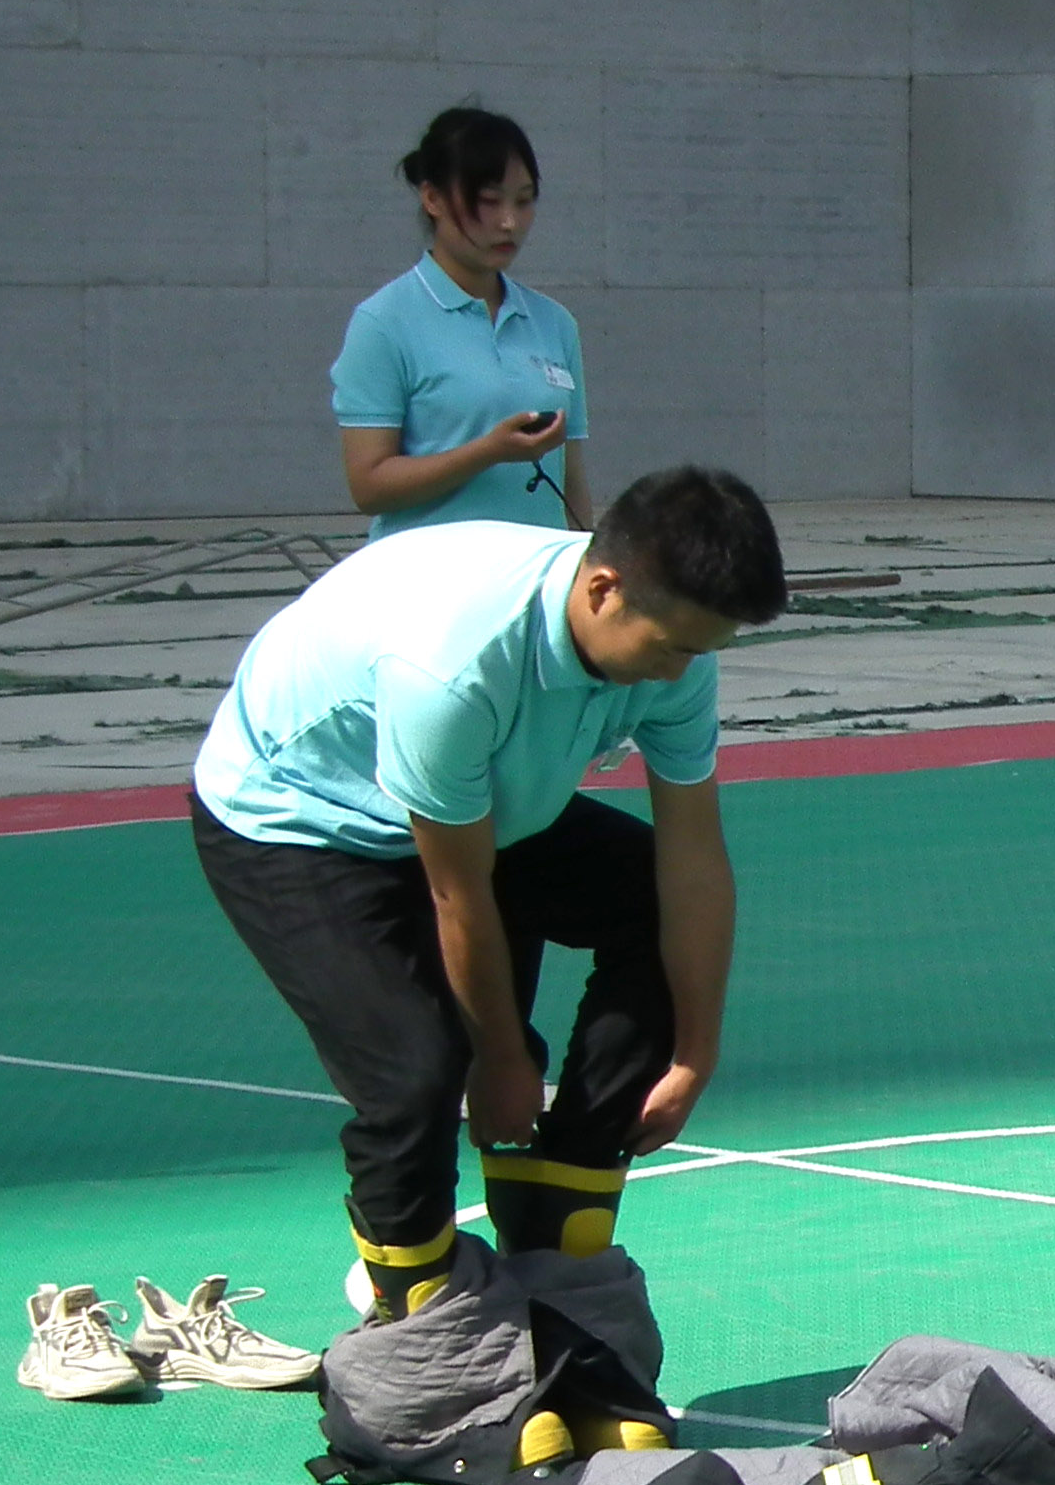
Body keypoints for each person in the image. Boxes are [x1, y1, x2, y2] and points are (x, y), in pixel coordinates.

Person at [190, 466, 788, 1318]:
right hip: (303, 822)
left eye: (701, 652)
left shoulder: (673, 651)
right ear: (604, 589)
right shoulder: (452, 667)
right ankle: (418, 1325)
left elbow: (692, 864)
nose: (676, 675)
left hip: (486, 807)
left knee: (650, 905)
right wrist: (500, 1058)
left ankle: (559, 1235)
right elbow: (458, 889)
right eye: (669, 649)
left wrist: (694, 1053)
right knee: (415, 1073)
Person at [332, 104, 592, 541]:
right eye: (488, 201)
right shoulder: (383, 322)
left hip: (536, 573)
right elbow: (369, 485)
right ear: (432, 198)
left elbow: (572, 477)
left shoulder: (555, 323)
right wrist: (487, 452)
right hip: (432, 576)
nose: (509, 222)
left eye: (524, 201)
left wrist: (588, 559)